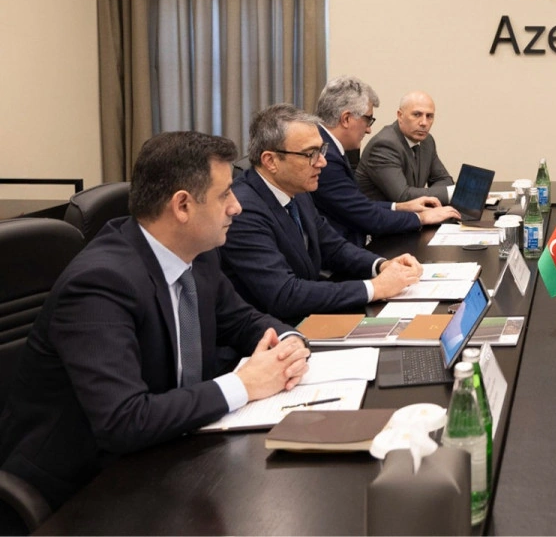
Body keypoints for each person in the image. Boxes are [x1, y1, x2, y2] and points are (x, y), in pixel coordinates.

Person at [0, 132, 310, 509]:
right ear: (182, 206)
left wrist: (290, 344)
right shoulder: (100, 283)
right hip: (83, 489)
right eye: (225, 194)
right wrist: (244, 384)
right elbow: (124, 420)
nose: (237, 207)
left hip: (171, 450)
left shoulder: (198, 253)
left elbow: (243, 320)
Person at [220, 104, 424, 323]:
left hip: (309, 317)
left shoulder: (297, 190)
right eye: (311, 154)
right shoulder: (243, 210)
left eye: (322, 150)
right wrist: (374, 288)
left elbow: (332, 246)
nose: (322, 162)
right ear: (271, 161)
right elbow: (284, 294)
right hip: (275, 332)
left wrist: (381, 265)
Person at [311, 76, 459, 247]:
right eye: (368, 119)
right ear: (346, 119)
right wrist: (421, 217)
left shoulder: (331, 148)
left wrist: (400, 207)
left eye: (429, 116)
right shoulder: (326, 156)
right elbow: (366, 214)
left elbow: (359, 204)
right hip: (350, 247)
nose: (369, 129)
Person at [357, 91, 454, 204]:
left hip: (412, 213)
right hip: (380, 214)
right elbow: (402, 196)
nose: (424, 122)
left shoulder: (427, 141)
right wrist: (447, 194)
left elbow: (444, 180)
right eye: (417, 114)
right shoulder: (384, 145)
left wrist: (428, 196)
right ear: (400, 115)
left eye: (429, 116)